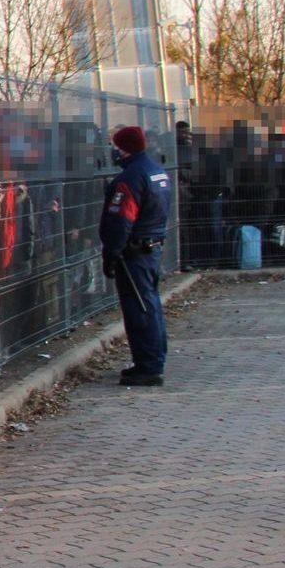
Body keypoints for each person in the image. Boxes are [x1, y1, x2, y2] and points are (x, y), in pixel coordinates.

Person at [100, 125, 173, 388]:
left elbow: (121, 221)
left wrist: (111, 253)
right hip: (152, 246)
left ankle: (149, 366)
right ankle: (153, 358)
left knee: (139, 308)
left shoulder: (130, 179)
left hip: (134, 252)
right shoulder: (156, 172)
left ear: (124, 148)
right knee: (150, 304)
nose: (113, 151)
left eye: (115, 146)